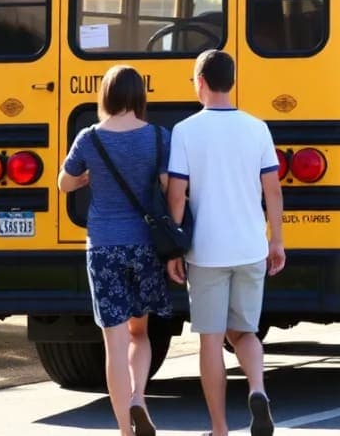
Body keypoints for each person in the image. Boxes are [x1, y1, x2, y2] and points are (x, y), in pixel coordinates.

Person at [165, 50, 286, 436]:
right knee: (245, 333)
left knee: (212, 340)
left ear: (200, 82)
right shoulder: (257, 127)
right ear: (231, 82)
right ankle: (258, 389)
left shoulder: (185, 131)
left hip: (207, 252)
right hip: (251, 246)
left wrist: (173, 247)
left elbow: (177, 195)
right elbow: (273, 190)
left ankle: (219, 428)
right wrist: (276, 241)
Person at [58, 65, 171, 436]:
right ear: (140, 96)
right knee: (141, 334)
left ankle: (125, 429)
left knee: (115, 341)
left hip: (104, 246)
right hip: (145, 246)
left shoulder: (89, 138)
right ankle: (139, 398)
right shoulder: (158, 137)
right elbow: (170, 187)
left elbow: (64, 183)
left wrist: (87, 177)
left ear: (105, 95)